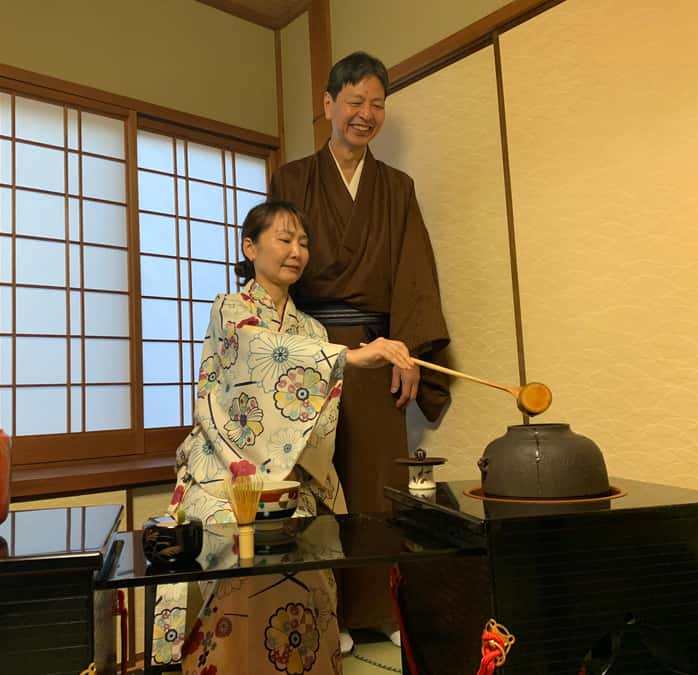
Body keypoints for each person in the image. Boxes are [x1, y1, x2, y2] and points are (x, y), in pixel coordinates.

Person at [151, 200, 416, 674]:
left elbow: (316, 415)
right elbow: (260, 351)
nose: (296, 251)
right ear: (250, 248)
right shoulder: (230, 309)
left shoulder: (310, 329)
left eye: (303, 242)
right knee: (226, 542)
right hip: (223, 467)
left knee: (311, 541)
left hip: (287, 476)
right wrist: (349, 358)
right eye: (284, 239)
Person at [269, 51, 451, 647]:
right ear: (328, 106)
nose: (365, 114)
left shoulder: (397, 187)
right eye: (353, 101)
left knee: (375, 482)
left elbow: (415, 275)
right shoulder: (294, 178)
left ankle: (380, 608)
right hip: (309, 347)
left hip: (378, 347)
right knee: (315, 483)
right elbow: (274, 262)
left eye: (376, 103)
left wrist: (413, 358)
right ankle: (326, 612)